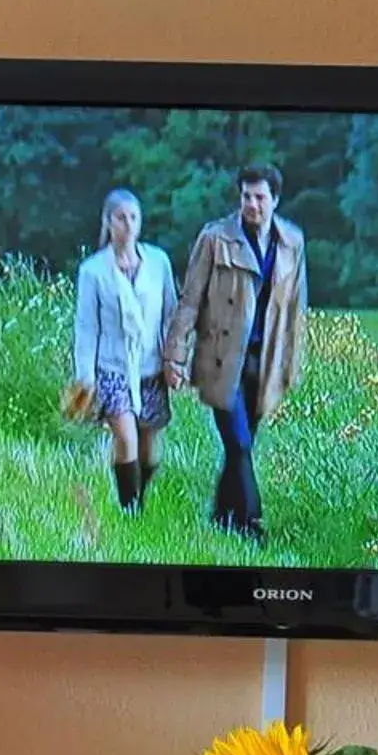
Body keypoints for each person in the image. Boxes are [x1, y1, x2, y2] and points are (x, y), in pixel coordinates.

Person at [163, 164, 308, 541]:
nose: (252, 205)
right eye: (246, 196)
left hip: (264, 361)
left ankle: (221, 520)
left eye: (260, 197)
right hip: (221, 359)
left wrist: (291, 366)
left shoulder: (291, 242)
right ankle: (252, 527)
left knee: (239, 449)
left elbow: (295, 310)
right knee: (240, 444)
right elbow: (190, 300)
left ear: (275, 200)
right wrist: (174, 356)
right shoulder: (215, 238)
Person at [72, 189, 176, 512]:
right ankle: (129, 510)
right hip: (112, 366)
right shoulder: (93, 271)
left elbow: (171, 313)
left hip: (151, 365)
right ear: (108, 222)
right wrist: (85, 379)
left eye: (133, 217)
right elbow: (87, 328)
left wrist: (175, 359)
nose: (128, 225)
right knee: (126, 438)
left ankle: (140, 496)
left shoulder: (158, 262)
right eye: (121, 218)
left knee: (149, 445)